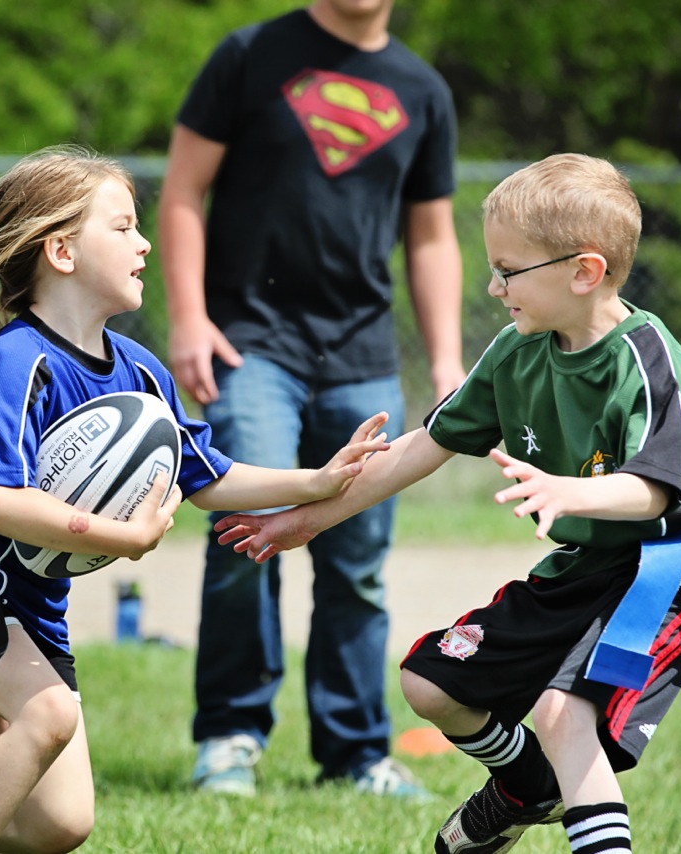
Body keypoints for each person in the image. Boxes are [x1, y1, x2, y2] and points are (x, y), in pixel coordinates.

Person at [215, 154, 681, 853]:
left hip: (667, 571)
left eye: (509, 270)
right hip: (585, 568)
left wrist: (569, 490)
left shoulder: (646, 357)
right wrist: (305, 519)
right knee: (430, 683)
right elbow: (423, 446)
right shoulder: (514, 351)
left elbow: (656, 487)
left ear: (584, 271)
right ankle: (528, 786)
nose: (494, 287)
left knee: (563, 716)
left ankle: (549, 789)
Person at [0, 146, 389, 854]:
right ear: (61, 251)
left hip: (30, 605)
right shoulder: (17, 361)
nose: (144, 242)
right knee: (48, 715)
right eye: (121, 227)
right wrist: (118, 538)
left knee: (61, 824)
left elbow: (205, 477)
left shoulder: (141, 372)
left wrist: (316, 482)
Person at [157, 0, 464, 797]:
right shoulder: (250, 54)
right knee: (243, 539)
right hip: (248, 342)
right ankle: (229, 738)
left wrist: (448, 366)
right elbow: (183, 192)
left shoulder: (423, 89)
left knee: (358, 564)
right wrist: (189, 317)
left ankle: (358, 754)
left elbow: (431, 237)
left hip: (362, 358)